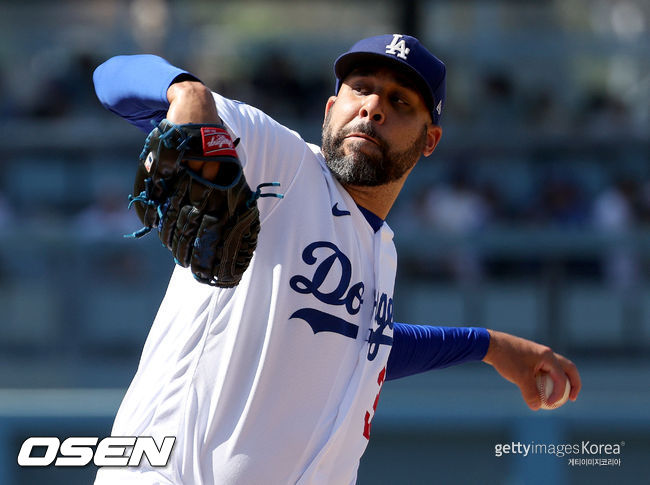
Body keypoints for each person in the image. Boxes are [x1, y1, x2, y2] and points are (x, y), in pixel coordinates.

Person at [92, 34, 581, 484]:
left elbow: (360, 349)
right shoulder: (279, 161)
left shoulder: (380, 250)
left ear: (429, 140)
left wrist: (490, 346)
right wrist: (188, 93)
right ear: (330, 109)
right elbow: (112, 77)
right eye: (360, 89)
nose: (372, 109)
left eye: (400, 101)